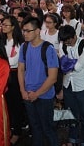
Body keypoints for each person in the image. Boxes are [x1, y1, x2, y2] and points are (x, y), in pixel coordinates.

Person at [18, 16, 59, 146]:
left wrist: (37, 93)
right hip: (28, 95)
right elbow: (20, 70)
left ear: (37, 31)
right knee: (35, 129)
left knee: (48, 129)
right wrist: (23, 90)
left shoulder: (48, 49)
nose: (24, 33)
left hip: (44, 96)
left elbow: (53, 77)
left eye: (28, 30)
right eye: (23, 30)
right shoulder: (24, 47)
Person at [58, 25, 84, 146]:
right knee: (71, 113)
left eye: (69, 40)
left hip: (82, 85)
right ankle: (72, 138)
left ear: (74, 36)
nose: (67, 43)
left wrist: (69, 63)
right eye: (64, 41)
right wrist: (71, 63)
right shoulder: (62, 44)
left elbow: (77, 67)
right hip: (67, 84)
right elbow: (64, 65)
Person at [0, 15, 25, 145]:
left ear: (13, 27)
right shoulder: (1, 41)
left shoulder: (19, 43)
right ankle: (7, 128)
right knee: (5, 105)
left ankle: (17, 131)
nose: (3, 27)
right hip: (2, 74)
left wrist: (4, 62)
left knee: (15, 105)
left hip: (14, 75)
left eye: (6, 25)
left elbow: (14, 61)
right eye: (2, 25)